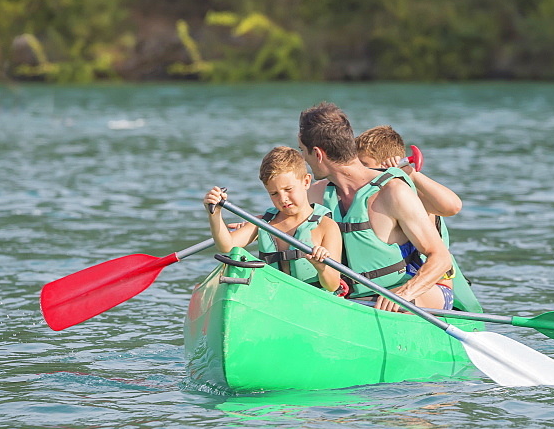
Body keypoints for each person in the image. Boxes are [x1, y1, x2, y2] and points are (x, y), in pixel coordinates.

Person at [299, 102, 453, 312]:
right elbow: (285, 219)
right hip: (359, 300)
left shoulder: (393, 192)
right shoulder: (317, 193)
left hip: (417, 294)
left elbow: (441, 258)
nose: (303, 159)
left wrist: (404, 293)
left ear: (317, 154)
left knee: (400, 307)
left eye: (302, 151)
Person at [355, 125, 481, 313]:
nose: (358, 172)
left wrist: (410, 174)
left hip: (432, 288)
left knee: (381, 304)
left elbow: (453, 206)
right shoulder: (369, 199)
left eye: (364, 165)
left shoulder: (413, 197)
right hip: (389, 288)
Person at [203, 146, 344, 294]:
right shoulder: (264, 223)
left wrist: (322, 267)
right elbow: (227, 246)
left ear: (306, 182)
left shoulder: (327, 226)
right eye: (274, 193)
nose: (283, 199)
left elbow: (332, 285)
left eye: (288, 189)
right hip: (274, 299)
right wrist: (214, 213)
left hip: (313, 302)